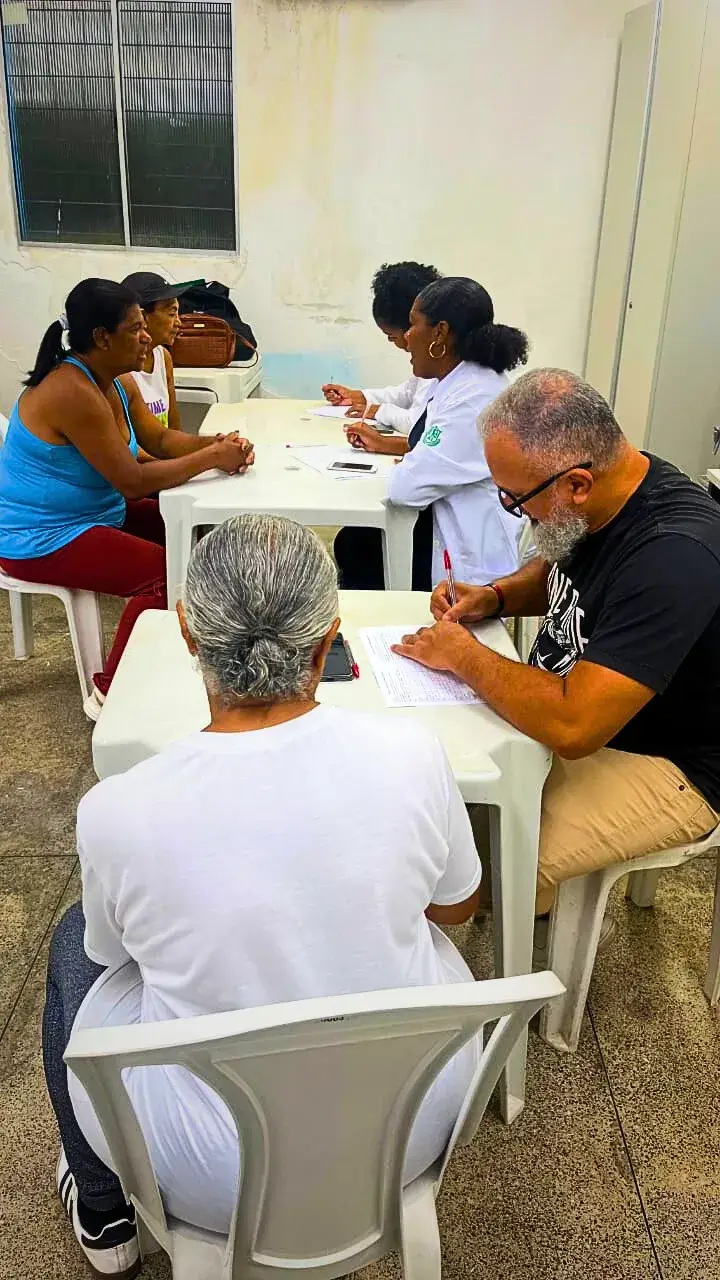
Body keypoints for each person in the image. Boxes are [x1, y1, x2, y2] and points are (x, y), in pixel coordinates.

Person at [42, 514, 482, 1276]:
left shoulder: (120, 808)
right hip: (414, 1122)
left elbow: (115, 958)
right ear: (330, 641)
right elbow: (455, 906)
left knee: (74, 945)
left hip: (209, 1172)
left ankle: (107, 1211)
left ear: (186, 633)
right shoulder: (414, 754)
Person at [392, 368, 720, 918]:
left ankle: (523, 917)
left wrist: (465, 655)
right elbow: (558, 570)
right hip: (579, 711)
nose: (513, 511)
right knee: (431, 803)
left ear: (576, 484)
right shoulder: (608, 493)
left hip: (671, 763)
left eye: (516, 497)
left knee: (471, 871)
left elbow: (575, 726)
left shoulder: (674, 554)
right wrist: (493, 597)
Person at [0, 278, 253, 719]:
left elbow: (157, 439)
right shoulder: (70, 390)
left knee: (203, 538)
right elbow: (133, 481)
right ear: (101, 337)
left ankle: (193, 652)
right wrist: (213, 456)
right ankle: (111, 694)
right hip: (41, 537)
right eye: (135, 327)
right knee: (163, 574)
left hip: (96, 514)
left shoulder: (115, 382)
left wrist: (217, 443)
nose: (146, 336)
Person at [334, 276, 530, 591]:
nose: (406, 338)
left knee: (360, 547)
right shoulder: (455, 380)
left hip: (466, 552)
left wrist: (415, 463)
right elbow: (426, 453)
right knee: (355, 539)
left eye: (412, 325)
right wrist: (413, 458)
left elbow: (406, 488)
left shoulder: (474, 397)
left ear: (440, 332)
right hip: (443, 519)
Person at [322, 261, 441, 441]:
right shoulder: (434, 360)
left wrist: (378, 412)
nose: (405, 340)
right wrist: (361, 397)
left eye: (392, 336)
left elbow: (419, 425)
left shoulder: (446, 364)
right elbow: (409, 393)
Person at [120, 270, 196, 430]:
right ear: (142, 317)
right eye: (171, 313)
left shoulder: (163, 357)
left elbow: (174, 429)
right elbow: (126, 448)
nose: (178, 322)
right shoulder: (119, 370)